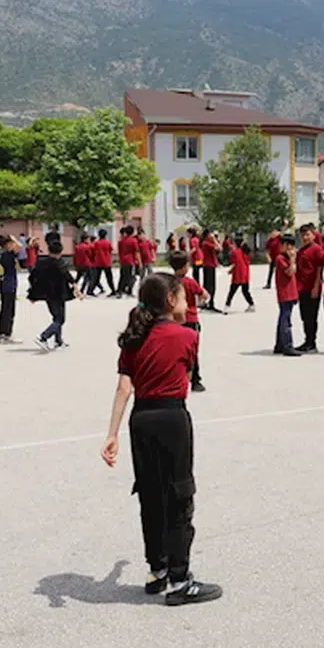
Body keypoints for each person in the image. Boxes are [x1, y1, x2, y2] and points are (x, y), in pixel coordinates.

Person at [101, 272, 222, 606]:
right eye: (183, 296)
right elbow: (185, 377)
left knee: (150, 494)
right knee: (179, 494)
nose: (186, 303)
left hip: (140, 419)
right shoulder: (187, 335)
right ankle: (180, 580)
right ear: (170, 300)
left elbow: (124, 388)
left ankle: (158, 569)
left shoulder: (133, 337)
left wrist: (112, 434)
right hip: (171, 417)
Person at [28, 238, 81, 351]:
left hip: (48, 295)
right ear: (60, 251)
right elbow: (67, 276)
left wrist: (33, 293)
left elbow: (32, 277)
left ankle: (58, 341)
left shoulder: (41, 262)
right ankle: (43, 337)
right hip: (58, 294)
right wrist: (76, 289)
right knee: (60, 319)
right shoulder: (59, 263)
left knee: (56, 317)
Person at [168, 252, 208, 392]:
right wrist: (199, 303)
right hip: (190, 319)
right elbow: (204, 294)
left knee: (174, 350)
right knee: (192, 351)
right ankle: (195, 381)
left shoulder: (170, 282)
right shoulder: (189, 282)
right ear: (185, 266)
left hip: (174, 320)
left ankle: (175, 378)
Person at [295, 225, 324, 352]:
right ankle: (307, 340)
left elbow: (320, 268)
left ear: (313, 235)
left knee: (311, 316)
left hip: (312, 288)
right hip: (302, 288)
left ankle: (312, 343)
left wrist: (316, 286)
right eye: (303, 235)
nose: (305, 237)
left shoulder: (317, 249)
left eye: (308, 234)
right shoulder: (301, 251)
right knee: (304, 316)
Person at [273, 234, 301, 356]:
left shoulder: (286, 258)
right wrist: (293, 259)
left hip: (291, 292)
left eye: (291, 245)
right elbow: (290, 272)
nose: (289, 248)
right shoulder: (281, 259)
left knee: (283, 318)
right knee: (286, 320)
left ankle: (279, 344)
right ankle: (287, 345)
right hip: (285, 293)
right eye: (286, 245)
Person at [0, 235, 22, 343]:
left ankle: (2, 333)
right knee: (9, 310)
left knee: (5, 309)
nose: (13, 245)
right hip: (9, 284)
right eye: (11, 243)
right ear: (7, 244)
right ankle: (6, 334)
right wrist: (14, 239)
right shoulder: (8, 255)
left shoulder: (3, 255)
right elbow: (20, 247)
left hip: (4, 283)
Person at [225, 242, 255, 312]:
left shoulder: (235, 252)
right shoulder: (246, 252)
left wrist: (230, 271)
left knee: (232, 292)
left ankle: (227, 306)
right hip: (245, 274)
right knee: (245, 291)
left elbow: (234, 264)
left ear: (235, 244)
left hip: (238, 274)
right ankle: (252, 304)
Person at [115, 226, 140, 298]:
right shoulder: (134, 241)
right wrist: (139, 262)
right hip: (130, 261)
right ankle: (128, 290)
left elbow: (119, 252)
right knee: (131, 277)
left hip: (123, 261)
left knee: (122, 276)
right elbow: (136, 252)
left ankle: (120, 291)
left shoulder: (121, 241)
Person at [199, 230, 220, 311]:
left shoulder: (207, 243)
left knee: (208, 285)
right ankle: (209, 303)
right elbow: (219, 248)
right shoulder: (206, 243)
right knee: (210, 286)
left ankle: (208, 303)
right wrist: (214, 239)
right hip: (209, 265)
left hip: (209, 265)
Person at [93, 229, 114, 294]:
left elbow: (94, 251)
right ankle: (113, 290)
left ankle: (91, 290)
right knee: (109, 278)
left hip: (98, 262)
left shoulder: (96, 243)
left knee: (96, 278)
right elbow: (111, 250)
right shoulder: (108, 242)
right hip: (107, 262)